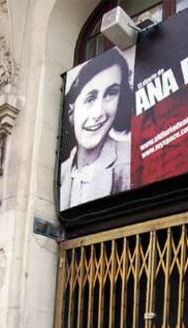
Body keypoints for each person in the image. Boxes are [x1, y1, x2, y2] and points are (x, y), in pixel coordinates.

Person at [59, 48, 133, 210]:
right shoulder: (62, 172)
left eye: (110, 94)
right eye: (90, 98)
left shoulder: (130, 161)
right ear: (71, 108)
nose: (99, 113)